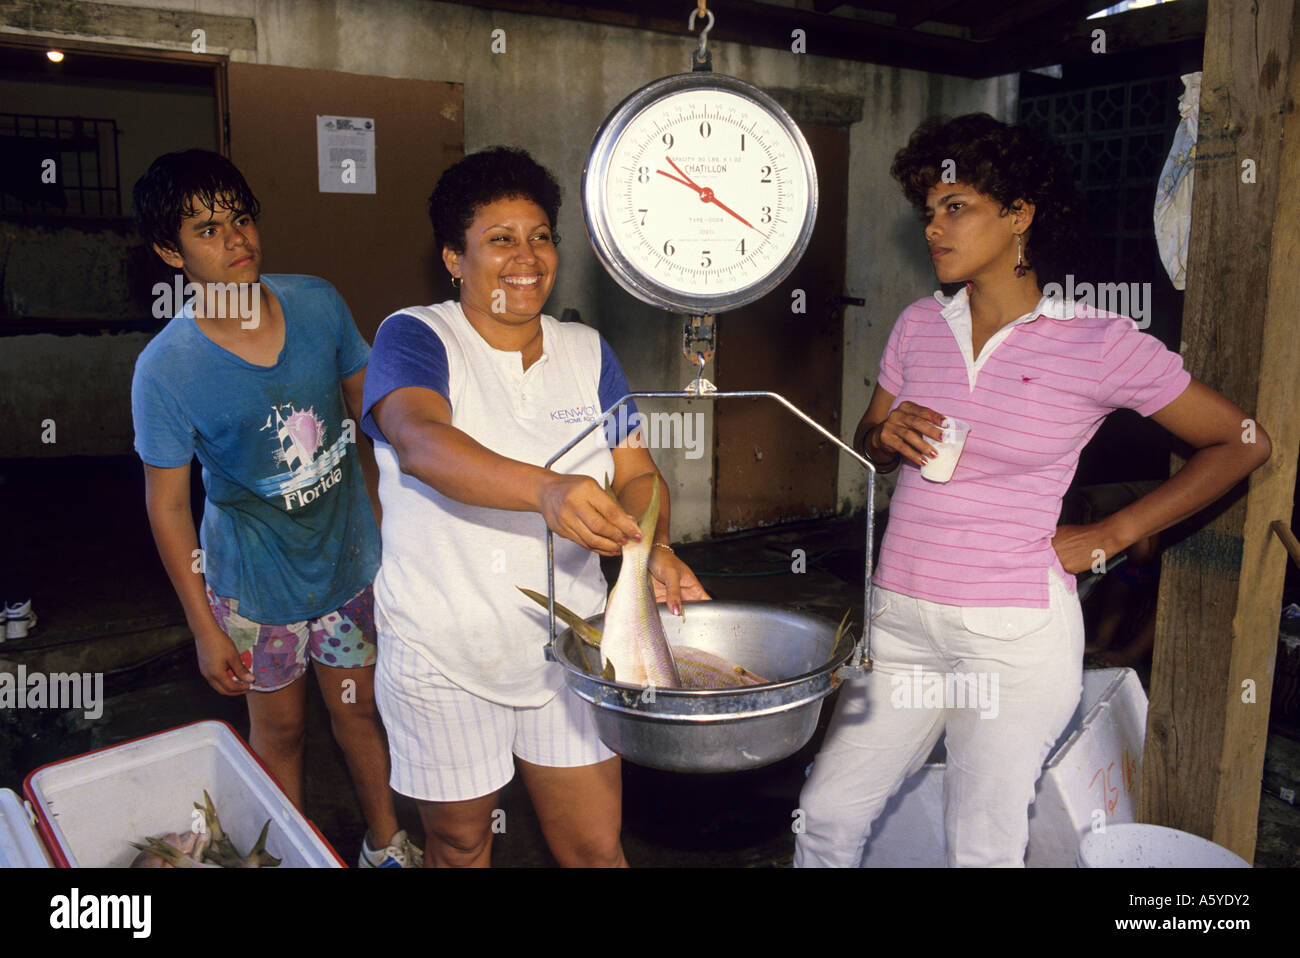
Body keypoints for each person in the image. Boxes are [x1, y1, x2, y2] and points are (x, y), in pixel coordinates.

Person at [794, 114, 1271, 867]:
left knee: (980, 846)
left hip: (1010, 638)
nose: (934, 229)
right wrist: (882, 439)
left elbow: (1243, 442)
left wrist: (1110, 534)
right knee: (825, 815)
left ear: (1019, 216)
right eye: (928, 212)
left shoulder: (1098, 342)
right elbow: (868, 443)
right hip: (900, 622)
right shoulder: (919, 325)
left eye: (957, 207)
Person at [360, 147, 708, 867]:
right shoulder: (418, 335)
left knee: (591, 846)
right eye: (501, 239)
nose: (527, 257)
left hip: (569, 645)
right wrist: (547, 488)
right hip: (443, 645)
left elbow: (636, 470)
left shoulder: (586, 350)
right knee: (459, 841)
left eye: (541, 236)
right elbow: (419, 440)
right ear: (454, 258)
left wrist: (652, 547)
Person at [130, 149, 420, 868]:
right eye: (206, 229)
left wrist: (396, 535)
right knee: (281, 730)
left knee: (357, 710)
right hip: (257, 589)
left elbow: (374, 418)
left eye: (240, 218)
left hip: (349, 562)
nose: (235, 240)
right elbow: (167, 507)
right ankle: (287, 858)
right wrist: (204, 627)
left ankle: (386, 843)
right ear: (170, 251)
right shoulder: (167, 370)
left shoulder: (318, 303)